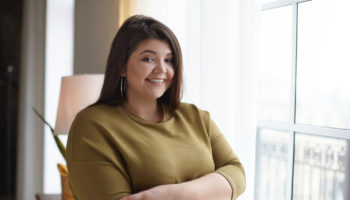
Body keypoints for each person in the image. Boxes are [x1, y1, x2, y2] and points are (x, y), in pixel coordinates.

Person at [66, 15, 246, 200]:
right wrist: (213, 189)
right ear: (121, 66)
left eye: (168, 60)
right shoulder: (92, 125)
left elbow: (236, 172)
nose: (161, 69)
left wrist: (171, 194)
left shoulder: (195, 116)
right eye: (148, 59)